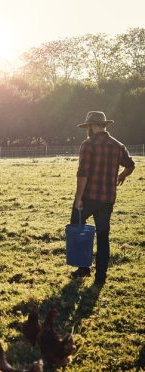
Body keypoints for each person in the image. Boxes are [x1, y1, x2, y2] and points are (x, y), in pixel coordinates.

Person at [70, 111, 135, 285]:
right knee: (103, 237)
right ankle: (100, 278)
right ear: (104, 125)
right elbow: (130, 165)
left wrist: (78, 198)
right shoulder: (118, 145)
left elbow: (82, 173)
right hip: (107, 199)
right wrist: (122, 175)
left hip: (89, 196)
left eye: (88, 127)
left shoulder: (88, 145)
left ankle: (84, 268)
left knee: (78, 226)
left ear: (91, 126)